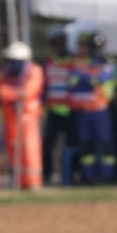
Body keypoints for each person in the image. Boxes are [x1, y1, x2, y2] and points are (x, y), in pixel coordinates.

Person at [69, 32, 117, 183]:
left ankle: (108, 174)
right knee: (85, 144)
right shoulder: (82, 63)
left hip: (101, 109)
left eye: (98, 46)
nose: (96, 49)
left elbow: (99, 80)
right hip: (85, 110)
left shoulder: (108, 63)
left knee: (105, 143)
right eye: (93, 46)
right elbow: (72, 81)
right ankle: (88, 175)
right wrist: (86, 75)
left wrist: (87, 76)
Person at [0, 41, 45, 190]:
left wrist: (16, 95)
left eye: (16, 61)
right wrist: (16, 95)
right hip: (11, 116)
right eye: (11, 61)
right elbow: (2, 92)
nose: (13, 64)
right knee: (13, 148)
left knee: (29, 148)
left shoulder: (34, 71)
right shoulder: (6, 74)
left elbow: (30, 91)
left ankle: (33, 181)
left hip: (28, 117)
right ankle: (17, 180)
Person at [41, 25, 76, 185]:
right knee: (48, 145)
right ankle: (47, 175)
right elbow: (44, 84)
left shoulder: (74, 62)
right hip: (54, 110)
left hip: (71, 110)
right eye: (54, 42)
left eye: (60, 41)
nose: (58, 45)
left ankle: (73, 174)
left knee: (72, 144)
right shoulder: (48, 62)